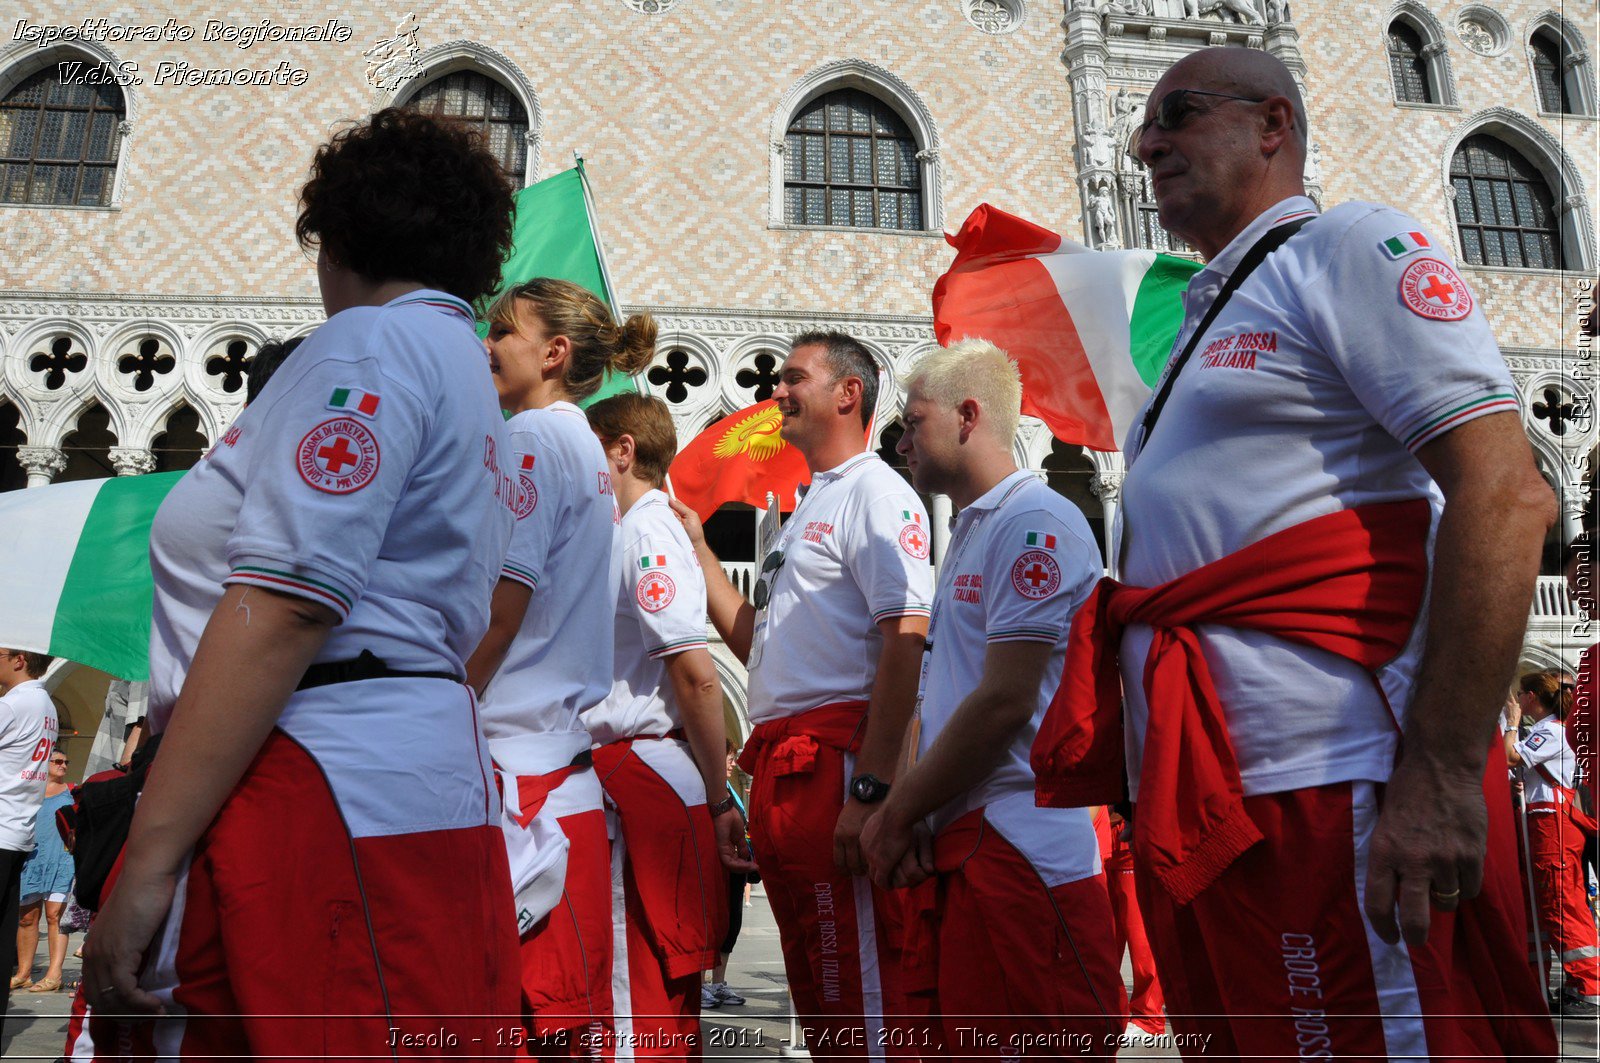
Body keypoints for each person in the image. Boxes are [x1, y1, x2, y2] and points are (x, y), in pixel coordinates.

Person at [1032, 46, 1558, 1058]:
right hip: (1212, 800)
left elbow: (1503, 493)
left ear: (1273, 126)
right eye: (1144, 126)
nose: (1146, 142)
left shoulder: (1352, 246)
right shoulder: (1200, 316)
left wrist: (1441, 771)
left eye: (1177, 114)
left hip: (1326, 783)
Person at [76, 107, 523, 1058]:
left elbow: (285, 602)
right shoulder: (459, 364)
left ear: (340, 235)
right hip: (406, 772)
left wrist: (148, 860)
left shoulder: (369, 345)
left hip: (317, 781)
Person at [859, 340, 1125, 1058]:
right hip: (970, 838)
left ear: (968, 415)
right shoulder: (977, 527)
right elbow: (944, 693)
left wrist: (898, 810)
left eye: (913, 422)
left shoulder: (1032, 521)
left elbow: (1006, 700)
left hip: (1024, 848)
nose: (901, 440)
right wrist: (916, 807)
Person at [672, 330, 933, 1059]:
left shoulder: (879, 495)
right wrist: (697, 546)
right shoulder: (810, 504)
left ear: (848, 393)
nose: (775, 392)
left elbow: (907, 635)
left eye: (793, 379)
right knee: (820, 984)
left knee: (861, 987)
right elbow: (761, 646)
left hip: (837, 764)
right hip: (786, 766)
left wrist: (876, 784)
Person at [466, 278, 653, 1055]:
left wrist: (443, 701)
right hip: (555, 777)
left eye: (502, 332)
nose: (487, 345)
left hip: (520, 782)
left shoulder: (534, 439)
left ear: (553, 352)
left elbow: (503, 609)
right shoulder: (581, 444)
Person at [582, 393, 755, 1060]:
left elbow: (696, 673)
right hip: (644, 773)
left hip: (642, 775)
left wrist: (720, 797)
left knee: (636, 993)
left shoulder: (647, 531)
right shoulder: (637, 529)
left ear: (623, 451)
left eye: (591, 452)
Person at [1506, 670, 1599, 1015]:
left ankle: (1589, 988)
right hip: (1540, 823)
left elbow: (1510, 757)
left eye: (1521, 694)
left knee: (1561, 903)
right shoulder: (1550, 732)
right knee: (1540, 904)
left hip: (1554, 825)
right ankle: (1541, 983)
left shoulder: (1552, 732)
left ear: (1532, 697)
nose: (1518, 699)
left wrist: (1511, 724)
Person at [0, 649, 58, 1035]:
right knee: (4, 938)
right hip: (17, 830)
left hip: (1, 822)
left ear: (19, 659)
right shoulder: (47, 703)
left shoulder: (14, 703)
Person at [1092, 807, 1166, 1045]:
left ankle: (1149, 1018)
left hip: (1128, 835)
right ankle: (1113, 1011)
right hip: (1100, 836)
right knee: (1103, 937)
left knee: (1139, 936)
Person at [13, 747, 74, 993]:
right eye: (58, 761)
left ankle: (54, 973)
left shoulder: (70, 793)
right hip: (33, 860)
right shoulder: (30, 791)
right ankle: (24, 973)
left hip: (60, 860)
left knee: (54, 917)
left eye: (66, 761)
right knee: (27, 918)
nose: (63, 765)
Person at [703, 741, 756, 1011]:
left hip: (735, 868)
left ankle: (718, 984)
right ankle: (701, 984)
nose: (733, 763)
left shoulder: (729, 789)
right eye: (729, 757)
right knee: (711, 926)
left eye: (734, 757)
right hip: (717, 868)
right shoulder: (707, 789)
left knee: (730, 926)